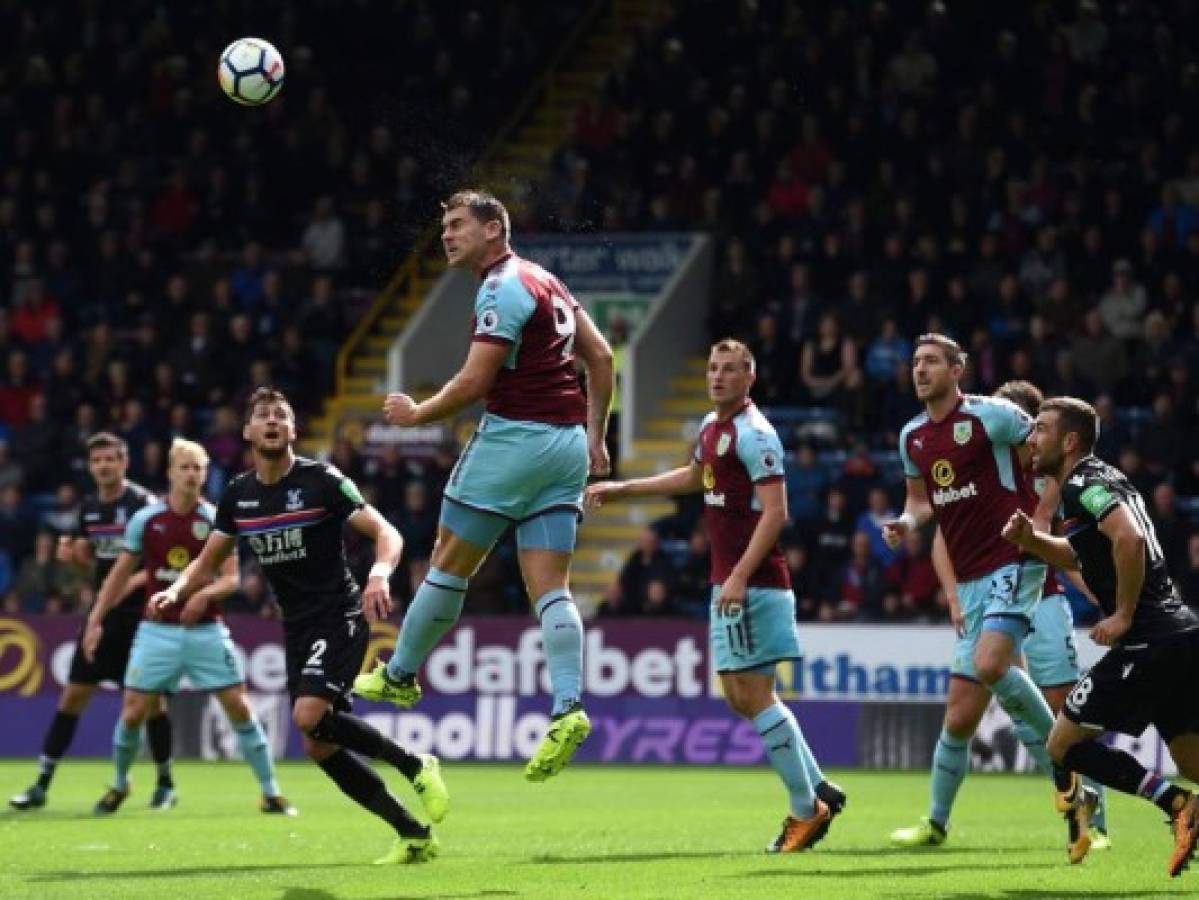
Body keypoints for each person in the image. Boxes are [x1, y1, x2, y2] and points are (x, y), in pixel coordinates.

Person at [354, 190, 614, 783]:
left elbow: (475, 382)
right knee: (551, 586)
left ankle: (398, 676)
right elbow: (601, 357)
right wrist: (596, 436)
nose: (445, 235)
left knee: (448, 561)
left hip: (513, 443)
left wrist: (418, 415)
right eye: (443, 225)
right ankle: (568, 705)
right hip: (567, 445)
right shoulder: (548, 281)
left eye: (457, 225)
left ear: (495, 229)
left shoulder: (498, 286)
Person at [152, 388, 446, 865]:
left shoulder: (322, 481)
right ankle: (412, 834)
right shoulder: (238, 495)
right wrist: (176, 591)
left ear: (292, 431)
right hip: (297, 626)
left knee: (308, 718)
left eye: (281, 416)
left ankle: (415, 764)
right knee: (316, 743)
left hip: (340, 612)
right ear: (247, 431)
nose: (271, 422)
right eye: (262, 416)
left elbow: (386, 532)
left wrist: (377, 575)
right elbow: (209, 561)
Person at [585, 339, 845, 853]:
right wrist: (622, 489)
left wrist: (741, 575)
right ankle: (817, 788)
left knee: (750, 694)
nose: (718, 376)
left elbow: (776, 512)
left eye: (729, 369)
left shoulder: (756, 434)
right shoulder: (711, 428)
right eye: (712, 368)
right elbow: (692, 477)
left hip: (754, 582)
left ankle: (804, 810)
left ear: (750, 377)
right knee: (740, 694)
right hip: (729, 579)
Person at [884, 335, 1088, 862]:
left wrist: (1040, 522)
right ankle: (936, 820)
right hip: (972, 579)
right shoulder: (912, 437)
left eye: (931, 361)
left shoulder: (992, 417)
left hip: (1012, 560)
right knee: (960, 713)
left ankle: (1067, 773)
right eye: (915, 362)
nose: (920, 370)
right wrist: (904, 524)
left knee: (995, 664)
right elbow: (919, 502)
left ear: (958, 370)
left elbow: (1052, 462)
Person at [1002, 396, 1199, 879]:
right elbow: (1084, 553)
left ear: (1069, 441)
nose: (1031, 438)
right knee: (1192, 758)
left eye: (1041, 430)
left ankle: (1179, 806)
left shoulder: (1083, 482)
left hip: (1148, 638)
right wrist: (1032, 542)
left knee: (1062, 744)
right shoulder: (1100, 479)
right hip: (1179, 632)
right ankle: (1181, 801)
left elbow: (1128, 540)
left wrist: (1124, 615)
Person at [928, 379, 1111, 849]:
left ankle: (1099, 823)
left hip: (1043, 595)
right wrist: (953, 598)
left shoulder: (1054, 477)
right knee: (961, 714)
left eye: (1015, 418)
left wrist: (1100, 597)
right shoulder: (981, 470)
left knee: (1067, 709)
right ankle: (934, 822)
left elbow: (1067, 549)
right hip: (987, 600)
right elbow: (944, 536)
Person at [81, 439, 292, 816]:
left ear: (205, 474)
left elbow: (231, 580)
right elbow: (117, 576)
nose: (192, 474)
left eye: (198, 468)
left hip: (206, 631)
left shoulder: (216, 519)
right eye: (185, 467)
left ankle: (271, 792)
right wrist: (95, 619)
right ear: (170, 473)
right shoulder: (146, 520)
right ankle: (119, 784)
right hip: (156, 631)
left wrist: (201, 595)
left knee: (239, 709)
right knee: (132, 711)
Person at [9, 433, 175, 811]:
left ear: (124, 462)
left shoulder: (143, 506)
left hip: (142, 616)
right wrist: (75, 558)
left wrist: (112, 596)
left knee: (151, 702)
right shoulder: (89, 509)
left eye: (109, 459)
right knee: (74, 693)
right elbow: (94, 564)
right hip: (103, 615)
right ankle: (41, 784)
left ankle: (164, 782)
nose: (102, 466)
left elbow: (153, 566)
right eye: (96, 460)